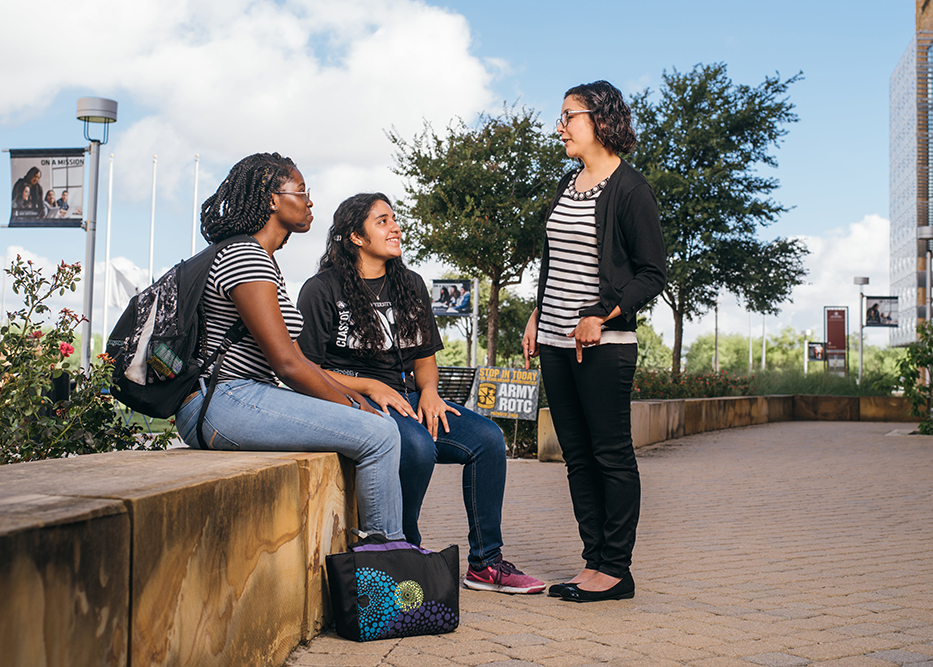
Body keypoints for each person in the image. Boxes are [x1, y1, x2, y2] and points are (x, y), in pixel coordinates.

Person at [297, 192, 546, 595]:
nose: (395, 227)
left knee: (487, 439)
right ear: (355, 236)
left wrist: (430, 392)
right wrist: (369, 385)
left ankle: (485, 564)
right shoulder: (322, 289)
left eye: (394, 219)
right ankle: (405, 549)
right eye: (382, 221)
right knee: (416, 446)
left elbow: (424, 356)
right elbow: (307, 371)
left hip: (406, 397)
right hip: (356, 401)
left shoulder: (408, 284)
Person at [174, 153, 403, 540]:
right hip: (221, 401)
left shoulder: (261, 258)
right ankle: (387, 567)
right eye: (301, 191)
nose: (310, 201)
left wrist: (352, 397)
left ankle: (383, 558)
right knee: (379, 435)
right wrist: (352, 404)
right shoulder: (245, 256)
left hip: (239, 397)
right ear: (272, 200)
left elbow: (295, 357)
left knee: (376, 426)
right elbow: (286, 363)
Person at [522, 81, 667, 603]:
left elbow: (652, 274)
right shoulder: (568, 182)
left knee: (610, 455)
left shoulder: (629, 189)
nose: (559, 127)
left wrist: (600, 315)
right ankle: (592, 562)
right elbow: (557, 263)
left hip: (603, 346)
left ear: (600, 121)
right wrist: (539, 312)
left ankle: (616, 569)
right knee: (577, 457)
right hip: (556, 345)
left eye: (568, 116)